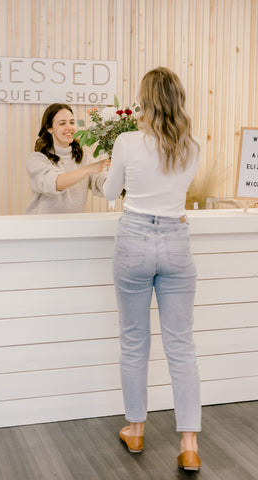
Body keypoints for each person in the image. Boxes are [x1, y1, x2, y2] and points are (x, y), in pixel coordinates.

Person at [103, 67, 201, 471]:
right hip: (177, 242)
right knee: (181, 345)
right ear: (178, 100)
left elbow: (110, 192)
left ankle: (137, 429)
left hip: (135, 240)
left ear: (144, 101)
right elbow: (178, 190)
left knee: (134, 341)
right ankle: (189, 443)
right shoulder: (192, 146)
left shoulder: (127, 142)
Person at [26, 103, 110, 214]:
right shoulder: (37, 159)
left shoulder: (84, 159)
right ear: (49, 128)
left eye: (71, 122)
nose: (69, 127)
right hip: (44, 228)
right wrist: (88, 169)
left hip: (74, 227)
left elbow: (103, 183)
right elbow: (55, 183)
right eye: (62, 123)